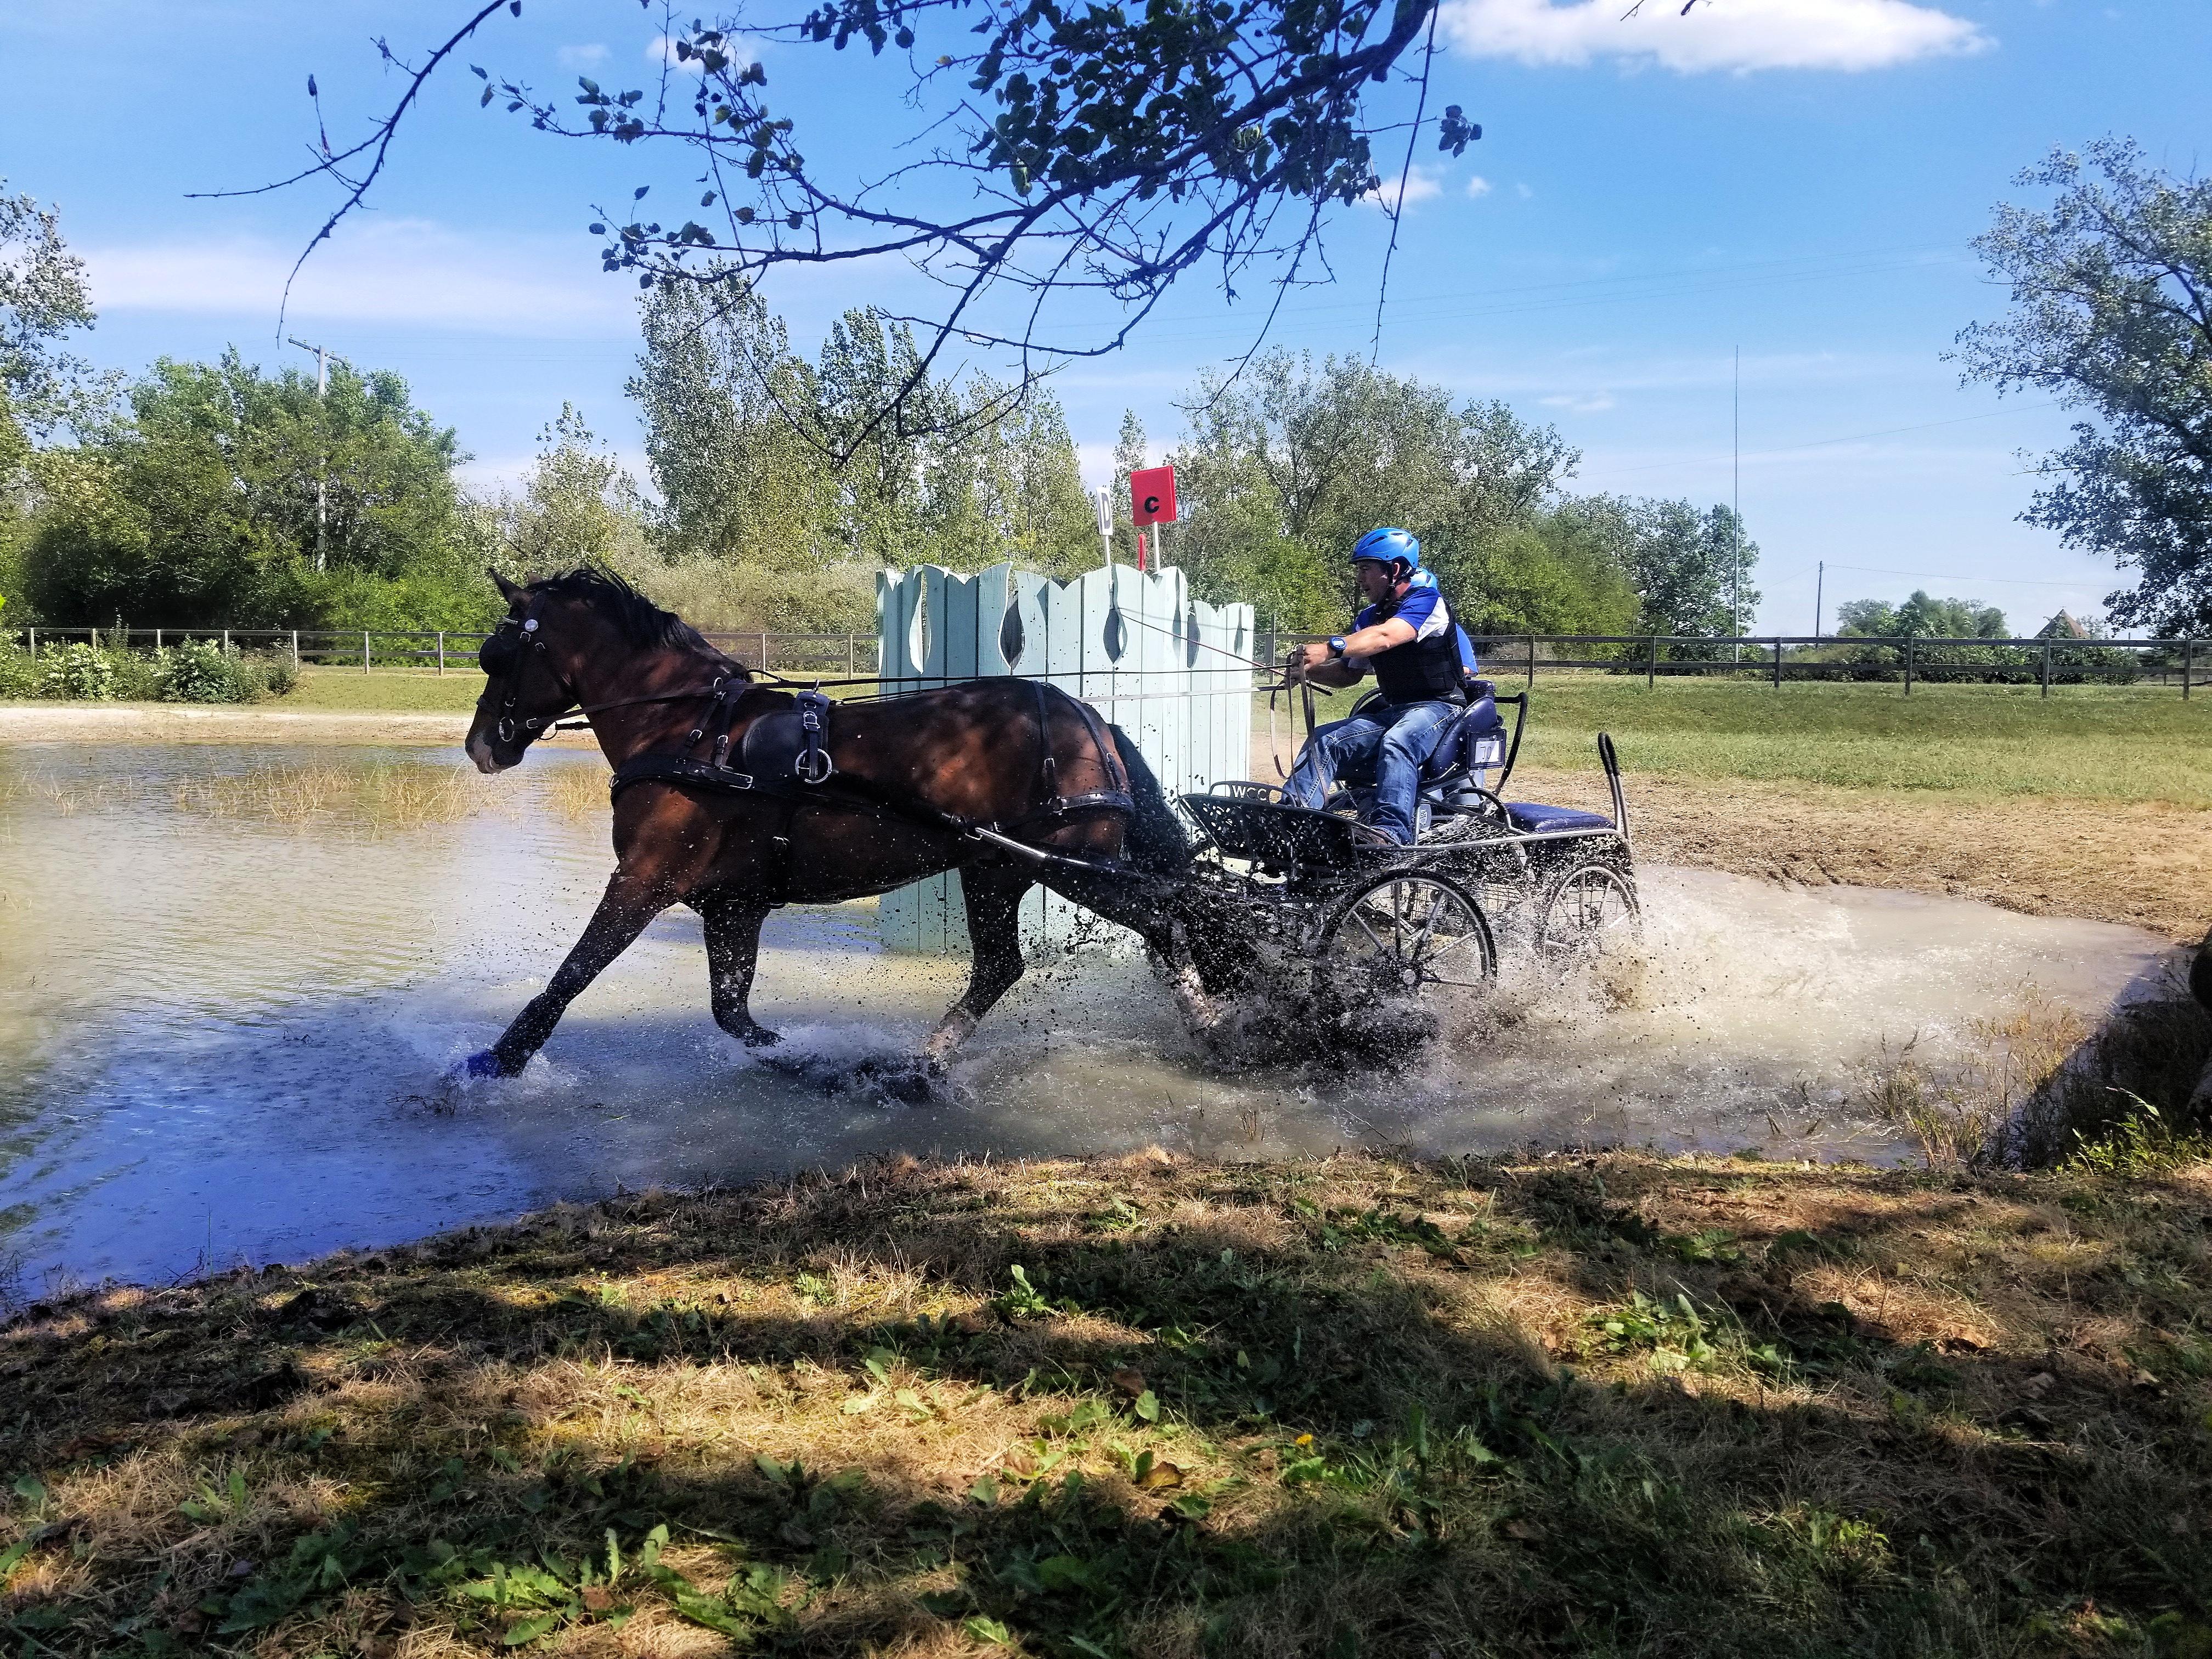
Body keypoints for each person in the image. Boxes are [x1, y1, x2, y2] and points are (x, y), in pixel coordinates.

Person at [1282, 527, 1472, 845]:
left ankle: (1389, 833)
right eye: (1359, 569)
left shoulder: (1428, 602)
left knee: (1399, 742)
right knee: (1324, 740)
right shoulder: (1368, 617)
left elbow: (1389, 636)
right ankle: (1294, 824)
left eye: (1366, 568)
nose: (1360, 578)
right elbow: (1348, 675)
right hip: (1395, 709)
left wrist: (1329, 647)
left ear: (1394, 570)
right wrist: (1308, 672)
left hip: (1440, 708)